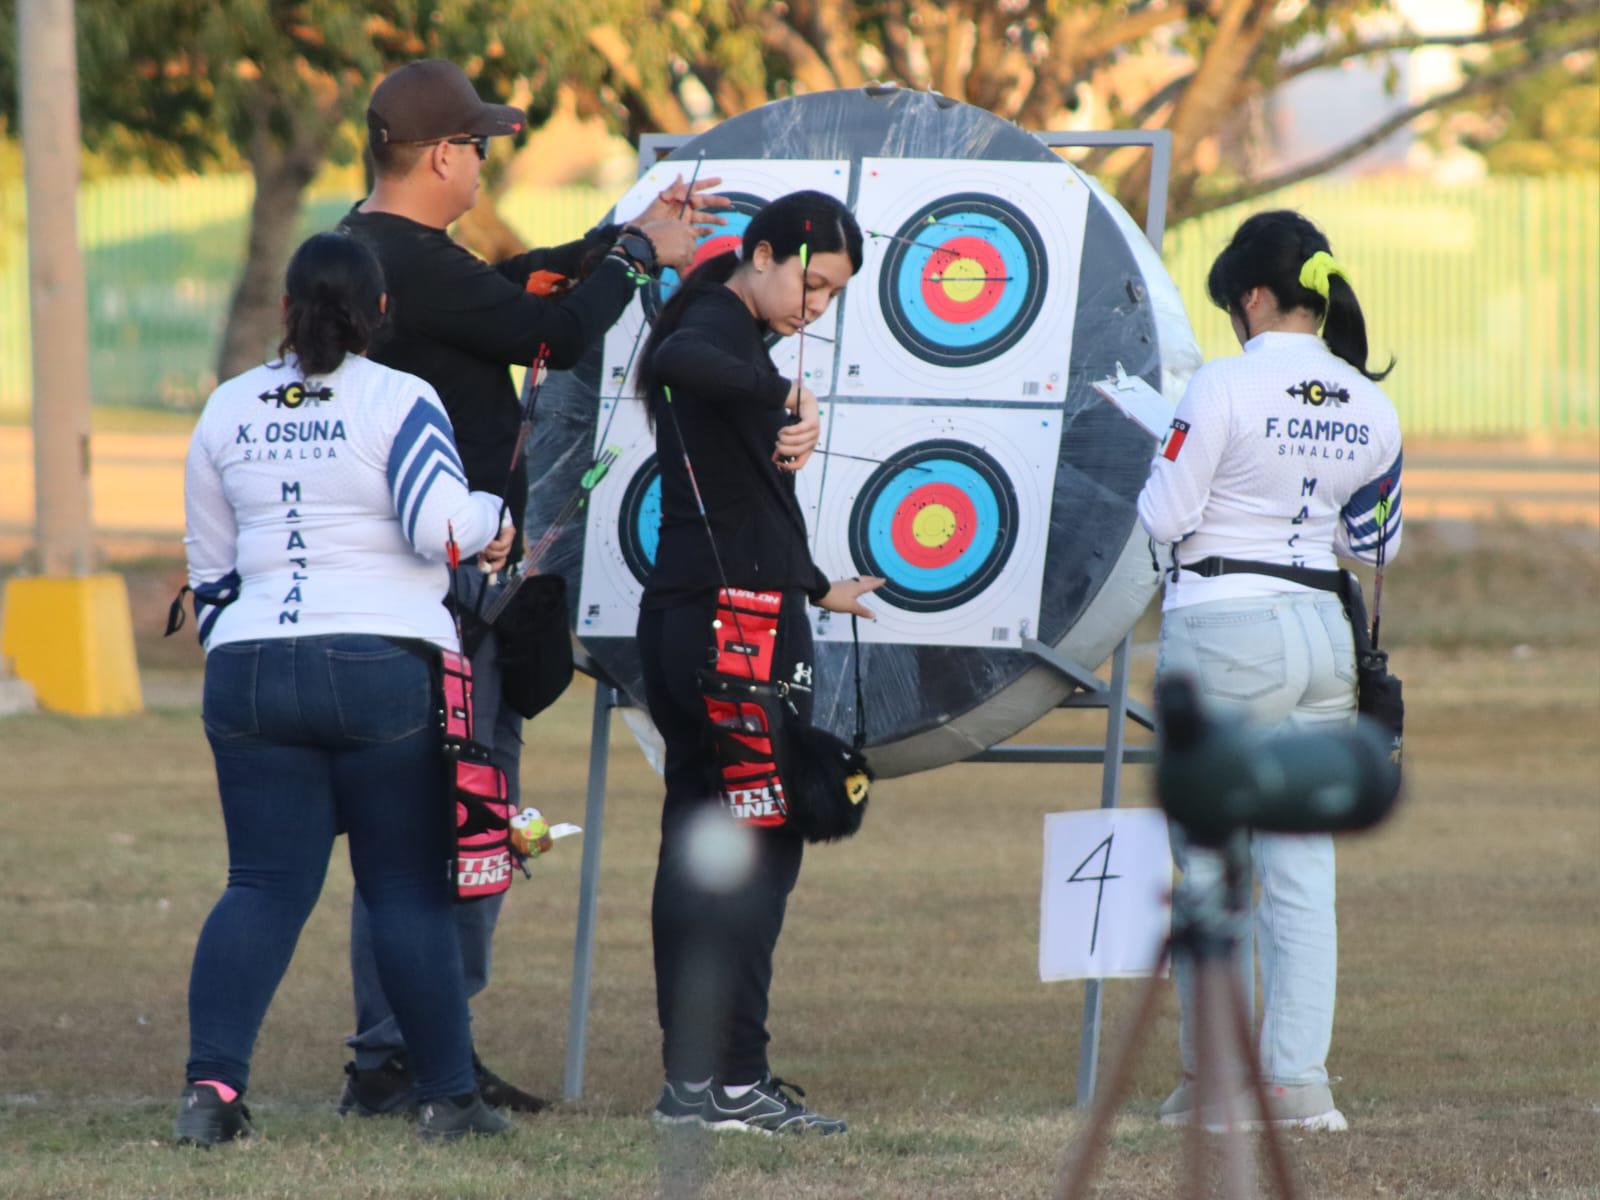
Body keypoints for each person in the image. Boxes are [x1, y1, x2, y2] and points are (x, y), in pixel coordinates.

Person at [335, 59, 724, 1115]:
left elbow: (511, 295)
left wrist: (614, 243)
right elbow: (546, 332)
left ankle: (417, 1049)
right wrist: (640, 251)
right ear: (444, 156)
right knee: (448, 812)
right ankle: (400, 1056)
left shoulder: (374, 249)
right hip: (446, 582)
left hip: (453, 577)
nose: (485, 168)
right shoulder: (397, 259)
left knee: (459, 814)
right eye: (481, 148)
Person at [175, 231, 517, 1145]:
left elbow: (208, 567)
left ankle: (210, 1095)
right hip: (378, 660)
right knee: (404, 888)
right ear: (381, 317)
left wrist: (243, 648)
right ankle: (448, 1098)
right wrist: (497, 515)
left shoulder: (228, 406)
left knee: (260, 886)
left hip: (248, 664)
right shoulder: (399, 397)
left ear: (286, 312)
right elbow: (442, 531)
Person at [1136, 210, 1403, 1132]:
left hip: (1222, 626)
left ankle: (1217, 1087)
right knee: (1303, 864)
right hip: (1321, 634)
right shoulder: (1370, 400)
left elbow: (1165, 514)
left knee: (1212, 860)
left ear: (1252, 295)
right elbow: (1377, 541)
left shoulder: (1220, 384)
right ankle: (1299, 1086)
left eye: (1231, 303)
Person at [633, 190, 883, 1135]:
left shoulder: (736, 330)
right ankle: (732, 1083)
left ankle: (696, 1085)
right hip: (730, 629)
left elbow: (737, 509)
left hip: (718, 611)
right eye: (810, 283)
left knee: (706, 845)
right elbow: (676, 359)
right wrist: (780, 394)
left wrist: (816, 588)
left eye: (832, 296)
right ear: (764, 252)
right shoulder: (711, 322)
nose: (815, 306)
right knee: (758, 845)